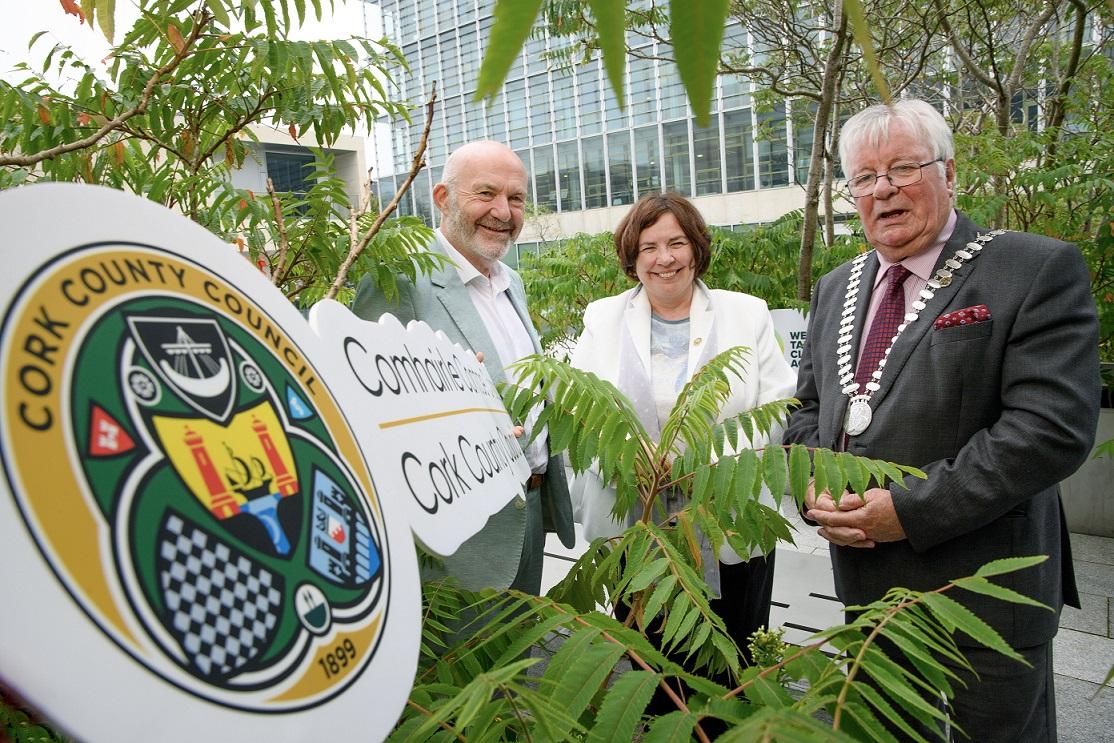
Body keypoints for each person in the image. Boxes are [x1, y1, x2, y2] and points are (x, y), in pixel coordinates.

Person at [784, 99, 1100, 741]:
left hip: (986, 592)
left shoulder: (1033, 269)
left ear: (949, 174)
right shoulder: (835, 287)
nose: (885, 191)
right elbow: (808, 410)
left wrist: (909, 510)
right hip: (869, 589)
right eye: (866, 177)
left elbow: (1049, 429)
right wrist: (813, 488)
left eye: (903, 168)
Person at [569, 192, 797, 666]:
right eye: (649, 247)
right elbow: (576, 414)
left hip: (730, 523)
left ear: (697, 247)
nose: (665, 258)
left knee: (733, 657)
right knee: (652, 664)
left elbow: (776, 408)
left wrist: (708, 466)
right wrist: (622, 456)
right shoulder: (602, 317)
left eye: (676, 243)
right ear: (633, 257)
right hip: (634, 525)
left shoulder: (746, 312)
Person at [352, 140, 575, 594]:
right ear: (442, 198)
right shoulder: (397, 281)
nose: (503, 211)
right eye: (486, 193)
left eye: (515, 198)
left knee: (520, 655)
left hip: (528, 508)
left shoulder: (510, 281)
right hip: (460, 535)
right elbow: (367, 414)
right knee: (468, 658)